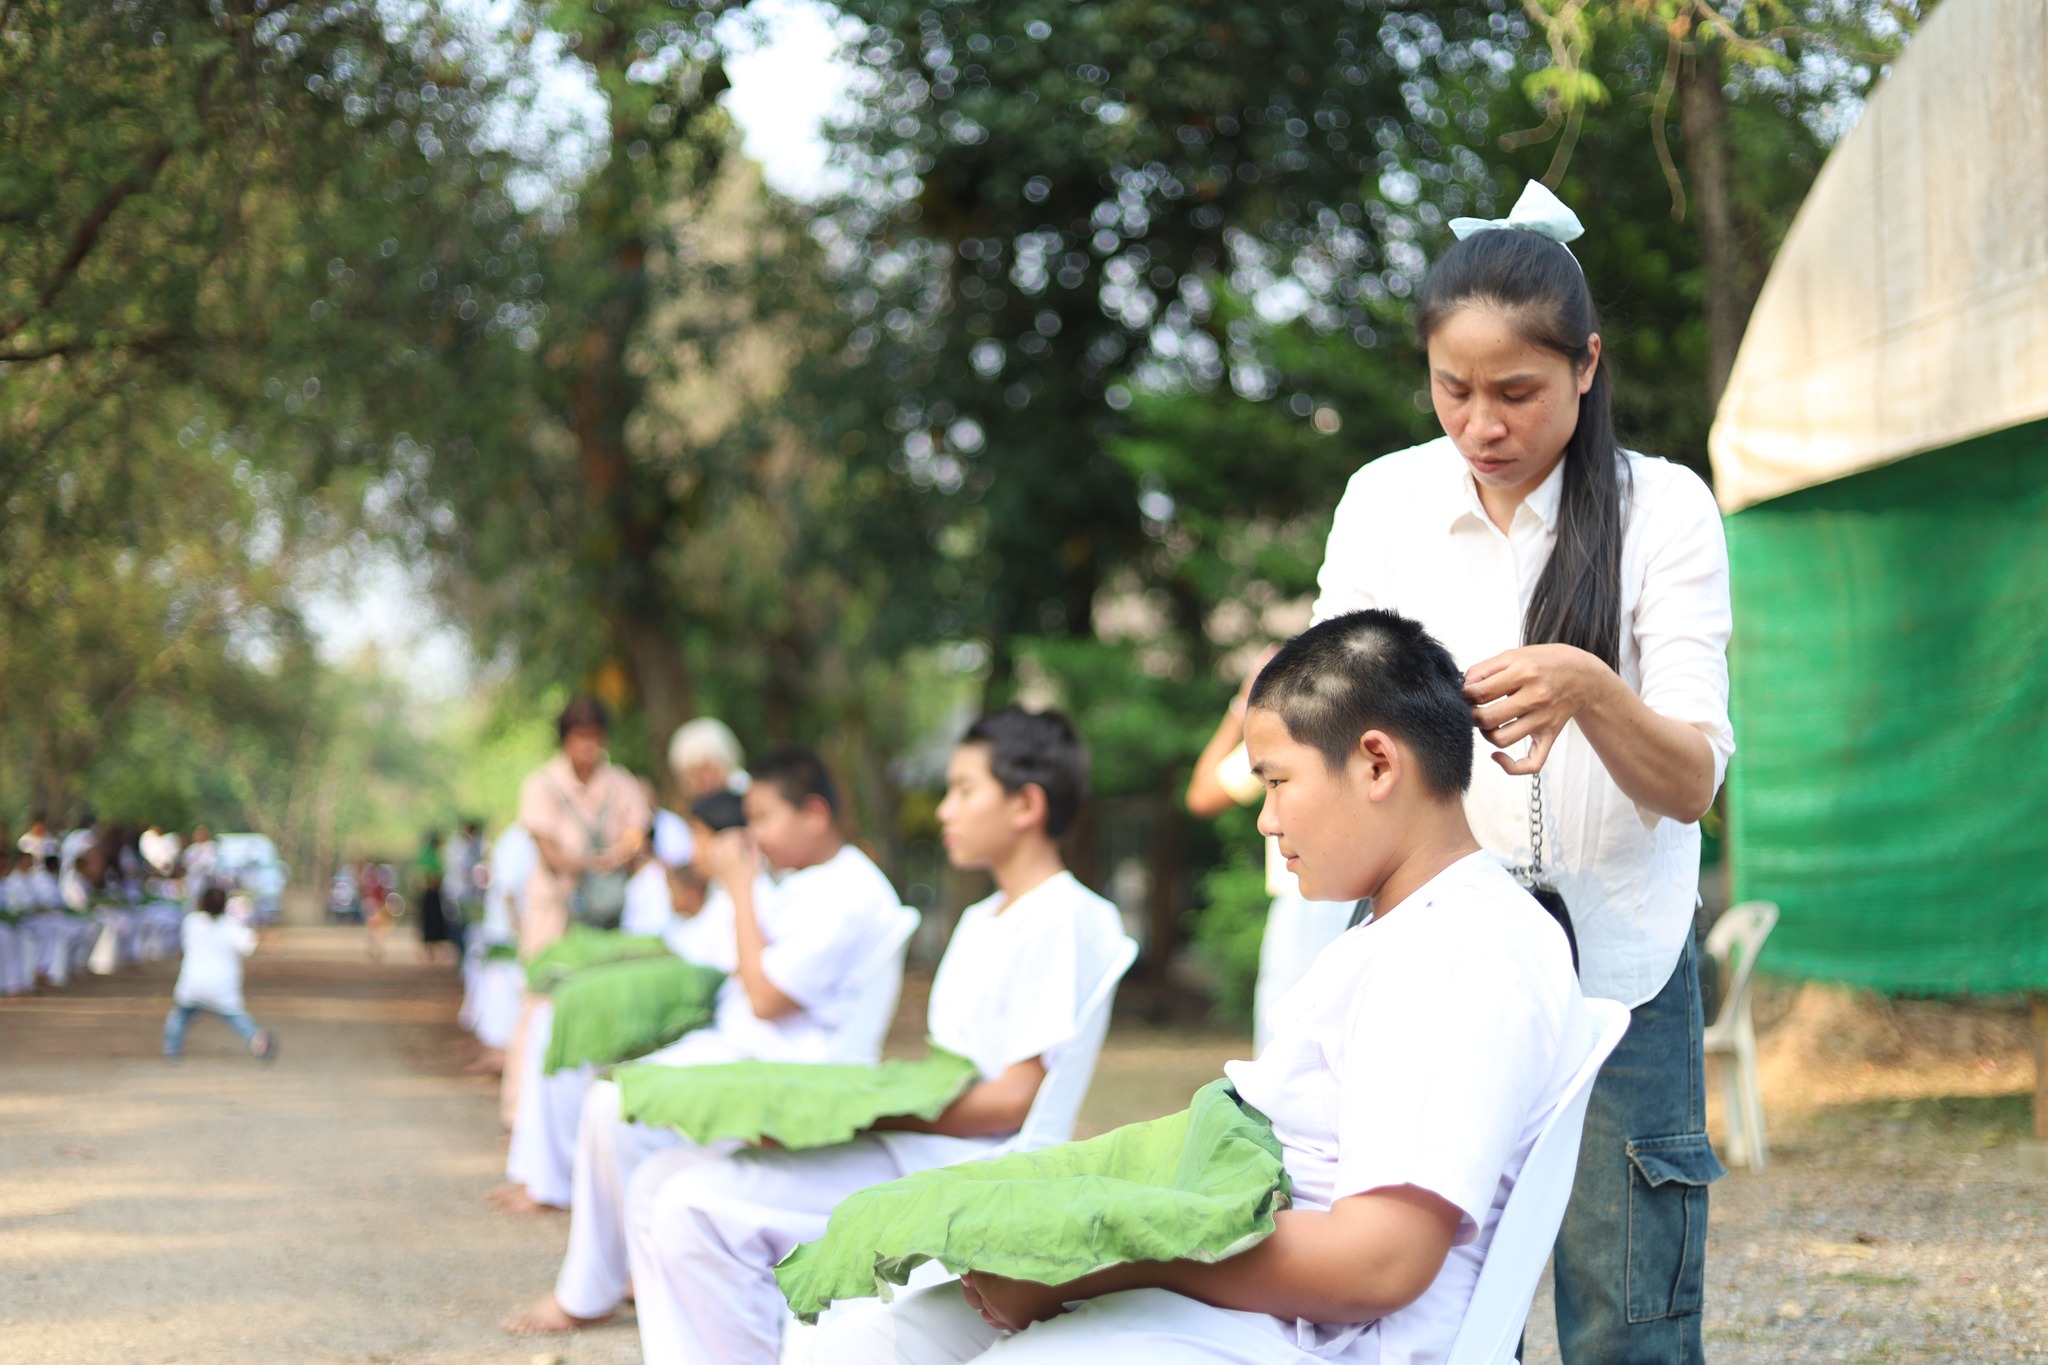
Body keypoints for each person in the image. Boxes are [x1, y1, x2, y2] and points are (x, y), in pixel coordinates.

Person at [813, 610, 1587, 1364]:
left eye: (1279, 782)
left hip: (1315, 1330)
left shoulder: (1461, 948)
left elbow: (1379, 1261)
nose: (1266, 819)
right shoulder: (1400, 929)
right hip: (1251, 1291)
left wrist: (1096, 1258)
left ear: (1378, 763)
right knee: (864, 1339)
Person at [1299, 182, 1733, 1362]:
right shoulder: (1382, 502)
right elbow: (1333, 731)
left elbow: (1689, 782)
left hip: (1619, 969)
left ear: (1585, 368)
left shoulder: (1665, 512)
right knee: (1418, 1312)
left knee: (1629, 1317)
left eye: (1515, 392)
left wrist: (1588, 688)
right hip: (1429, 965)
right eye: (1452, 389)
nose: (1479, 424)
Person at [624, 709, 1128, 1365]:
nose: (945, 810)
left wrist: (858, 1117)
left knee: (690, 1208)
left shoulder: (1064, 917)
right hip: (919, 1140)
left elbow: (1013, 1101)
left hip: (966, 1164)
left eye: (964, 790)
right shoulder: (982, 916)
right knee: (660, 1176)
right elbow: (953, 1069)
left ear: (1026, 803)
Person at [502, 746, 904, 1338]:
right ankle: (620, 1281)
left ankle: (593, 1290)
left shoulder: (851, 892)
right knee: (616, 1106)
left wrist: (740, 888)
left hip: (786, 1065)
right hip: (746, 1046)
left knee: (616, 1105)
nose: (754, 834)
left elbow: (765, 996)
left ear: (814, 813)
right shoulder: (808, 879)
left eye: (764, 818)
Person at [491, 792, 752, 1215]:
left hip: (699, 1025)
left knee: (567, 1030)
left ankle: (554, 1183)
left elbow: (711, 975)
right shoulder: (721, 897)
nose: (693, 851)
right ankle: (542, 1178)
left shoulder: (742, 897)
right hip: (683, 1012)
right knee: (553, 1019)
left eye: (699, 838)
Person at [1185, 646, 1357, 1053]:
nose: (1268, 821)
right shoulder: (1325, 715)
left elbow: (1202, 795)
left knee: (1285, 1056)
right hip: (1366, 889)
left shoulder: (1295, 722)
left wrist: (1245, 703)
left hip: (1312, 901)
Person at [502, 696, 652, 1124]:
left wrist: (619, 854)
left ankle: (591, 1117)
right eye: (581, 737)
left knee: (601, 1002)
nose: (589, 747)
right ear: (566, 739)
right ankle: (522, 1117)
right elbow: (546, 849)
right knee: (540, 1002)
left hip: (606, 913)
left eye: (595, 737)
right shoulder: (542, 784)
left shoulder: (620, 782)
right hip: (555, 909)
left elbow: (636, 833)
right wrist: (592, 863)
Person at [164, 885, 277, 1060]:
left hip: (192, 983)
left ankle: (171, 1050)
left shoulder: (192, 922)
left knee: (179, 1017)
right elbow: (250, 944)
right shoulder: (230, 926)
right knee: (237, 1019)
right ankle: (258, 1042)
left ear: (201, 902)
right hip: (222, 987)